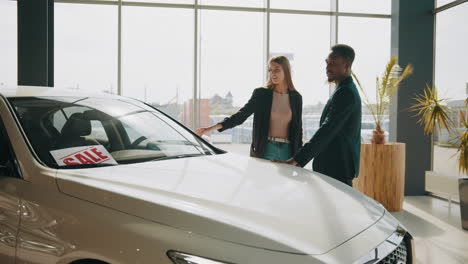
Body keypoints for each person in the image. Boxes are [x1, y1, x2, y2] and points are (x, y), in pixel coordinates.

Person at [275, 44, 361, 186]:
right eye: (327, 63)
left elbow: (327, 130)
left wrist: (296, 160)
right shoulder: (343, 89)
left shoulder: (346, 93)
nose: (328, 67)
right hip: (334, 165)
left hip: (337, 167)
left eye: (333, 63)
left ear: (347, 64)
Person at [195, 56, 303, 161]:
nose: (272, 73)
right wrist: (208, 129)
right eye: (270, 70)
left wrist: (300, 158)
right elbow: (240, 116)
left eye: (277, 70)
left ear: (286, 71)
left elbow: (298, 129)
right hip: (265, 149)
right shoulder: (261, 94)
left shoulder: (296, 98)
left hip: (288, 151)